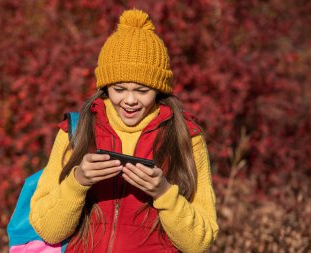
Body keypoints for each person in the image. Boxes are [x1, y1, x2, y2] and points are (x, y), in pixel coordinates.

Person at [29, 9, 218, 253]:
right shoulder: (76, 131)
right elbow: (48, 229)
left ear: (159, 89)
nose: (129, 100)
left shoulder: (186, 138)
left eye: (142, 91)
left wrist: (163, 194)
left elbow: (199, 243)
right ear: (105, 87)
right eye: (119, 89)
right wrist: (78, 182)